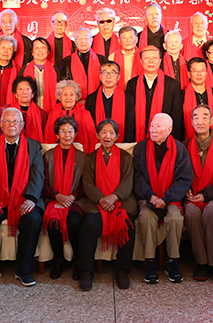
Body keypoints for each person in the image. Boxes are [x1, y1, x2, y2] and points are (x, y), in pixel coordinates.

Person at [0, 108, 45, 287]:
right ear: (1, 125)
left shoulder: (34, 146)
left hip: (24, 198)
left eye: (15, 121)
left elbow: (38, 175)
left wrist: (31, 198)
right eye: (7, 121)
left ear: (22, 125)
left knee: (33, 218)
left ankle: (23, 270)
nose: (11, 124)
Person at [75, 119, 136, 291]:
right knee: (89, 224)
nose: (107, 136)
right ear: (97, 135)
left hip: (121, 200)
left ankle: (122, 270)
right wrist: (102, 199)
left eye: (111, 133)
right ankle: (86, 270)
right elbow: (87, 183)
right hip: (97, 201)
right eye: (103, 132)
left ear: (117, 136)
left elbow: (128, 181)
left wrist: (114, 197)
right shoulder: (90, 158)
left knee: (127, 224)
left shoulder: (125, 157)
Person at [133, 113, 192, 284]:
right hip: (147, 197)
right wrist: (151, 196)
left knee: (175, 218)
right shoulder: (141, 148)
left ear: (169, 130)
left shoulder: (180, 149)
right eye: (152, 125)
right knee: (146, 217)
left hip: (171, 198)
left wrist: (166, 198)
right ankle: (149, 261)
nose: (153, 129)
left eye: (158, 126)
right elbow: (137, 176)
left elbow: (184, 178)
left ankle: (172, 260)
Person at [182, 105, 213, 283]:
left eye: (205, 117)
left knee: (211, 211)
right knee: (191, 212)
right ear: (191, 122)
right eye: (196, 117)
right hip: (192, 196)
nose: (200, 121)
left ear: (211, 121)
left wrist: (205, 195)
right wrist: (186, 190)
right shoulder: (184, 146)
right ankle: (202, 262)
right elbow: (180, 175)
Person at [42, 116, 86, 280]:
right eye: (63, 131)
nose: (67, 135)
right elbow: (43, 183)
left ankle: (78, 261)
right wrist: (56, 196)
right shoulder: (48, 156)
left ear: (75, 134)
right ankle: (59, 260)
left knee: (73, 221)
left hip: (76, 199)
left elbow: (86, 184)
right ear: (57, 134)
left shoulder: (83, 157)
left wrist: (72, 197)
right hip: (54, 198)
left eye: (70, 131)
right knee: (53, 222)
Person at [125, 46, 184, 141]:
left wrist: (173, 141)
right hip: (137, 138)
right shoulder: (132, 84)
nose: (151, 61)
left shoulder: (172, 85)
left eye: (155, 58)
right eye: (147, 58)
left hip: (165, 139)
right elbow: (129, 117)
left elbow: (177, 118)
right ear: (141, 61)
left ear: (160, 61)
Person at [85, 61, 136, 143]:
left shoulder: (128, 99)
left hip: (121, 144)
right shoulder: (91, 99)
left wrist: (125, 146)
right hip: (97, 145)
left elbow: (130, 126)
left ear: (118, 77)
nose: (108, 76)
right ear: (100, 76)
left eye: (112, 72)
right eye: (104, 72)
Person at [184, 57, 213, 140]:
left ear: (206, 73)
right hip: (188, 143)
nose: (199, 74)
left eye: (202, 70)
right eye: (195, 71)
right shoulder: (181, 96)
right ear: (189, 74)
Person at [45, 80, 96, 150]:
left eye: (72, 94)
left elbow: (93, 139)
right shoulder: (52, 114)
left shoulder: (85, 114)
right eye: (65, 94)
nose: (68, 98)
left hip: (81, 154)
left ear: (76, 97)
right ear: (60, 97)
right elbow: (47, 138)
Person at [61, 27, 104, 95]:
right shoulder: (67, 61)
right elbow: (65, 84)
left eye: (86, 38)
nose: (83, 41)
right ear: (75, 42)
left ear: (91, 40)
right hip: (75, 99)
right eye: (79, 38)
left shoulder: (102, 60)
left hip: (98, 98)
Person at [22, 37, 58, 113]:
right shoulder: (24, 70)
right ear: (32, 52)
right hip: (30, 113)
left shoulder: (56, 70)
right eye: (37, 48)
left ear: (48, 51)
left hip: (52, 111)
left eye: (43, 47)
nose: (40, 50)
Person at [8, 76, 47, 143]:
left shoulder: (42, 114)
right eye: (20, 89)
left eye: (28, 89)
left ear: (32, 94)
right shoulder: (6, 111)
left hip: (34, 147)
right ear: (15, 94)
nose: (24, 92)